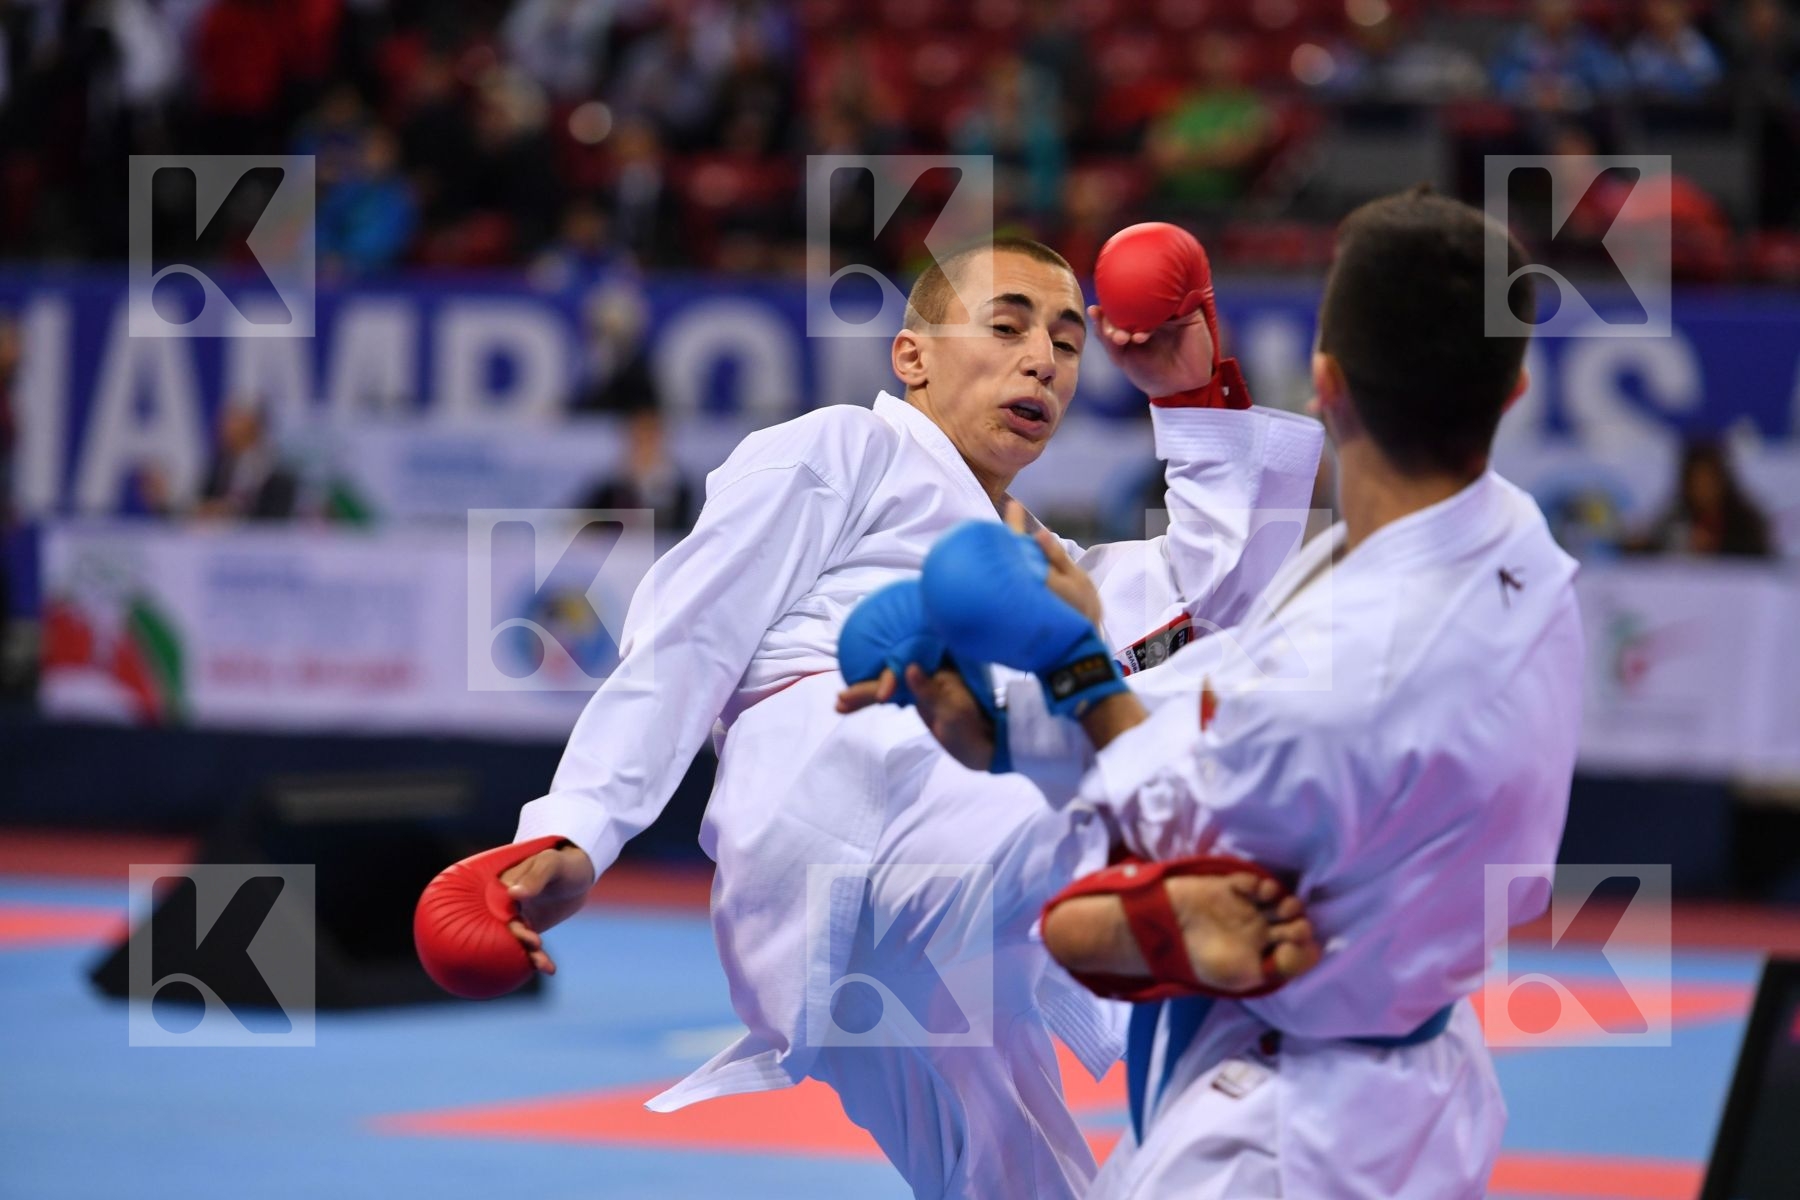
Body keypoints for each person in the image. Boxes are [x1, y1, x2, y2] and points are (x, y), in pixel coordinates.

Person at [421, 231, 1325, 1198]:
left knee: (1016, 1179)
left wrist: (1192, 396)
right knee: (1166, 763)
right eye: (1008, 326)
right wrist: (576, 827)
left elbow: (1205, 602)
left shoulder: (1042, 558)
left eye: (1068, 343)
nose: (1043, 361)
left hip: (913, 923)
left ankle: (1147, 883)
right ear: (912, 356)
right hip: (851, 789)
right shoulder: (844, 446)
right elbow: (687, 638)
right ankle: (1162, 885)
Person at [847, 188, 1586, 1197]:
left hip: (1287, 1130)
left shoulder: (1361, 672)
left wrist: (1073, 667)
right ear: (1511, 394)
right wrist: (1014, 732)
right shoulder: (1513, 548)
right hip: (1414, 1084)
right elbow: (1220, 676)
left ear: (1324, 380)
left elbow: (1156, 826)